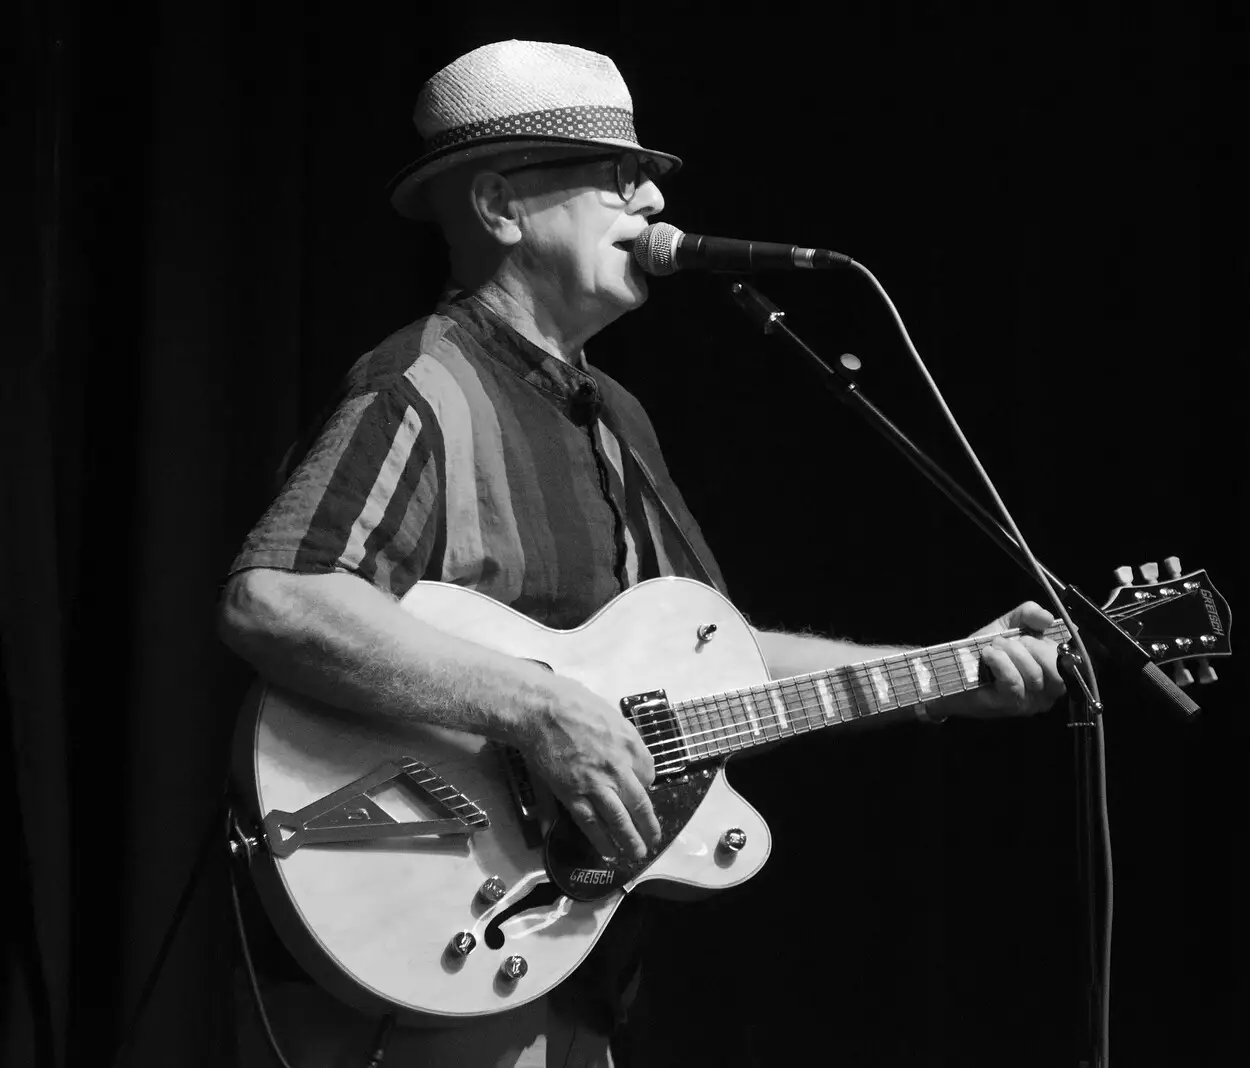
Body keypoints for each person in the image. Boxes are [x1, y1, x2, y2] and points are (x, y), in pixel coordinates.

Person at [216, 39, 1066, 1068]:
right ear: (498, 206)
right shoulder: (421, 386)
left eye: (650, 176)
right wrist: (539, 709)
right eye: (619, 177)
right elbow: (277, 599)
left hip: (562, 957)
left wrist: (946, 672)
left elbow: (727, 654)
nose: (655, 202)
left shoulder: (609, 413)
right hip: (416, 952)